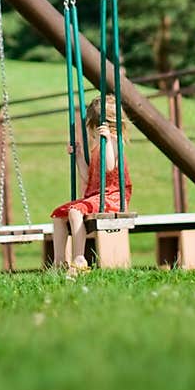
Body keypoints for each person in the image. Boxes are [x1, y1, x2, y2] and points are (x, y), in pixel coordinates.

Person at [50, 97, 131, 272]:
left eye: (94, 130)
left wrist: (107, 140)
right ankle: (59, 261)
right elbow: (88, 178)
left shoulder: (116, 143)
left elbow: (109, 167)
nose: (93, 135)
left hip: (112, 197)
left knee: (75, 211)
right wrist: (79, 156)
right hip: (97, 195)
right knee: (58, 215)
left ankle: (79, 258)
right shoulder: (96, 148)